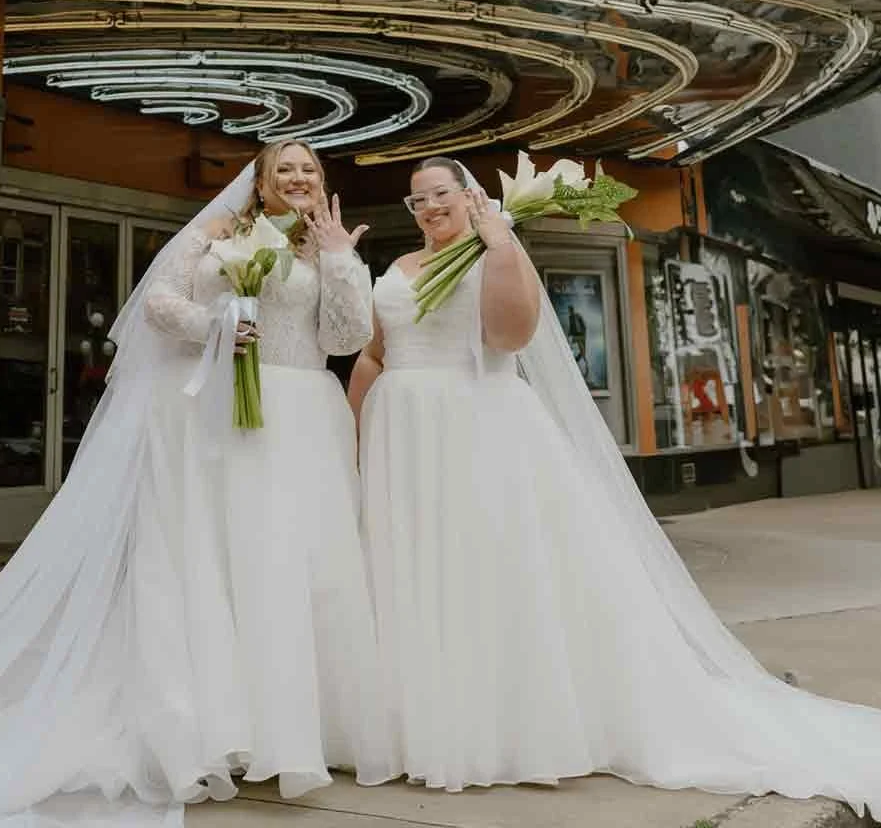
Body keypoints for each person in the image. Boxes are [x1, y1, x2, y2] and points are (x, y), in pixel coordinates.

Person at [0, 141, 389, 828]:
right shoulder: (215, 235)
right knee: (221, 565)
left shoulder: (323, 251)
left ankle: (303, 727)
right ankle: (216, 724)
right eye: (284, 170)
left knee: (302, 570)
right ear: (259, 184)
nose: (298, 179)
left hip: (303, 420)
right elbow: (159, 305)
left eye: (310, 171)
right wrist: (217, 324)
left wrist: (336, 259)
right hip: (224, 422)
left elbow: (344, 335)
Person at [350, 154, 881, 814]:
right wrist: (357, 434)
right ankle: (420, 716)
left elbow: (509, 336)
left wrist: (498, 244)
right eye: (415, 200)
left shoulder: (496, 253)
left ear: (470, 197)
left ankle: (510, 723)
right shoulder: (398, 271)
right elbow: (375, 354)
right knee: (419, 574)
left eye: (439, 194)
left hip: (475, 431)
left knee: (490, 569)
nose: (428, 207)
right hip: (404, 441)